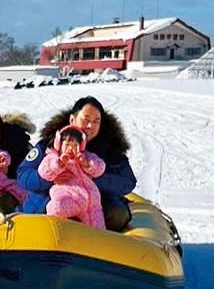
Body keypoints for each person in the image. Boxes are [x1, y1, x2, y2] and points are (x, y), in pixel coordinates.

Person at [18, 95, 136, 232]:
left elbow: (127, 181)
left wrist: (92, 179)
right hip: (50, 205)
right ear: (72, 119)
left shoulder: (111, 150)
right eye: (86, 120)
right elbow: (23, 174)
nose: (90, 125)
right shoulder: (48, 145)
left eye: (96, 121)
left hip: (95, 208)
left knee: (117, 213)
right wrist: (48, 179)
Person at [37, 126, 106, 228]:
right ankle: (52, 229)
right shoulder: (53, 157)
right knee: (57, 207)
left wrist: (86, 163)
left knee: (96, 223)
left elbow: (100, 168)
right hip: (70, 198)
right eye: (67, 145)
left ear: (81, 146)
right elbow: (43, 171)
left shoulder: (86, 156)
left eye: (75, 145)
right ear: (59, 145)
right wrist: (59, 163)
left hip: (92, 202)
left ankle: (100, 240)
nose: (71, 148)